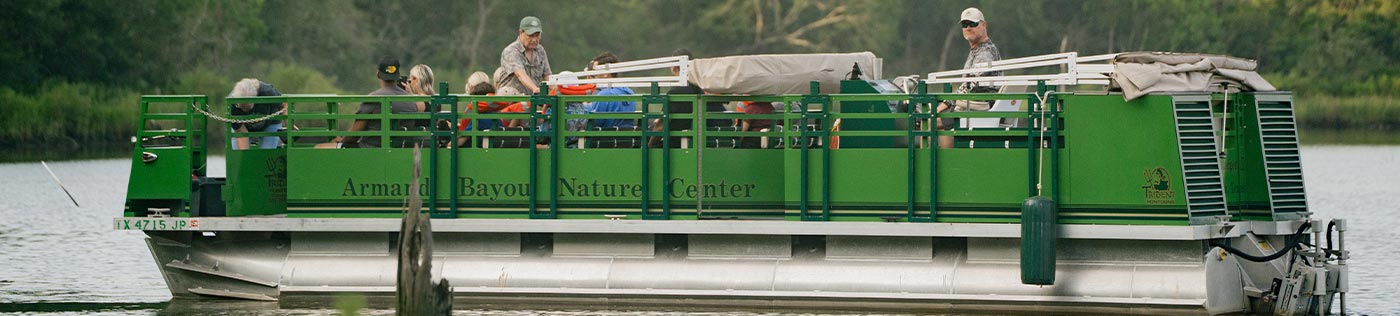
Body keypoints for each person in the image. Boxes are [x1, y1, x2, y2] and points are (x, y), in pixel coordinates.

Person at [934, 7, 1003, 148]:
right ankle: (948, 161)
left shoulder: (985, 52)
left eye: (973, 24)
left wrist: (946, 103)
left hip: (979, 106)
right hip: (975, 104)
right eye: (964, 25)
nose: (968, 28)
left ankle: (942, 164)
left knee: (927, 121)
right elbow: (968, 83)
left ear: (984, 25)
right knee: (936, 116)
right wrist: (947, 103)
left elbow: (972, 84)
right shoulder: (978, 49)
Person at [329, 56, 420, 148]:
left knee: (320, 148)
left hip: (369, 149)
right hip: (399, 150)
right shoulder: (411, 100)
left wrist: (341, 140)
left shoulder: (373, 98)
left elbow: (354, 136)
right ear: (398, 75)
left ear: (378, 74)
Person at [649, 48, 727, 148]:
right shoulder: (698, 89)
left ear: (674, 67)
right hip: (692, 139)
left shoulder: (675, 92)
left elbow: (661, 126)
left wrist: (650, 144)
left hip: (672, 143)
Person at [494, 16, 552, 96]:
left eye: (537, 35)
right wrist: (535, 89)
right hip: (510, 100)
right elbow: (520, 74)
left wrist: (557, 90)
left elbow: (547, 75)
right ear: (521, 32)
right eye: (531, 35)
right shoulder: (511, 51)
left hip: (531, 100)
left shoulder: (540, 50)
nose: (534, 39)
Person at [226, 78, 287, 150]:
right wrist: (244, 157)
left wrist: (288, 123)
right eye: (242, 107)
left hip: (270, 122)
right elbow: (241, 133)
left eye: (247, 107)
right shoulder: (232, 103)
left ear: (256, 96)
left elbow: (284, 104)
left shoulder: (267, 91)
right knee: (239, 156)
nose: (245, 111)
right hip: (244, 126)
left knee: (266, 156)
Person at [584, 52, 637, 130]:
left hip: (603, 139)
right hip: (624, 139)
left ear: (606, 73)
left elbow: (593, 122)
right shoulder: (629, 92)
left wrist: (584, 106)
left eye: (595, 71)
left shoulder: (605, 94)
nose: (594, 74)